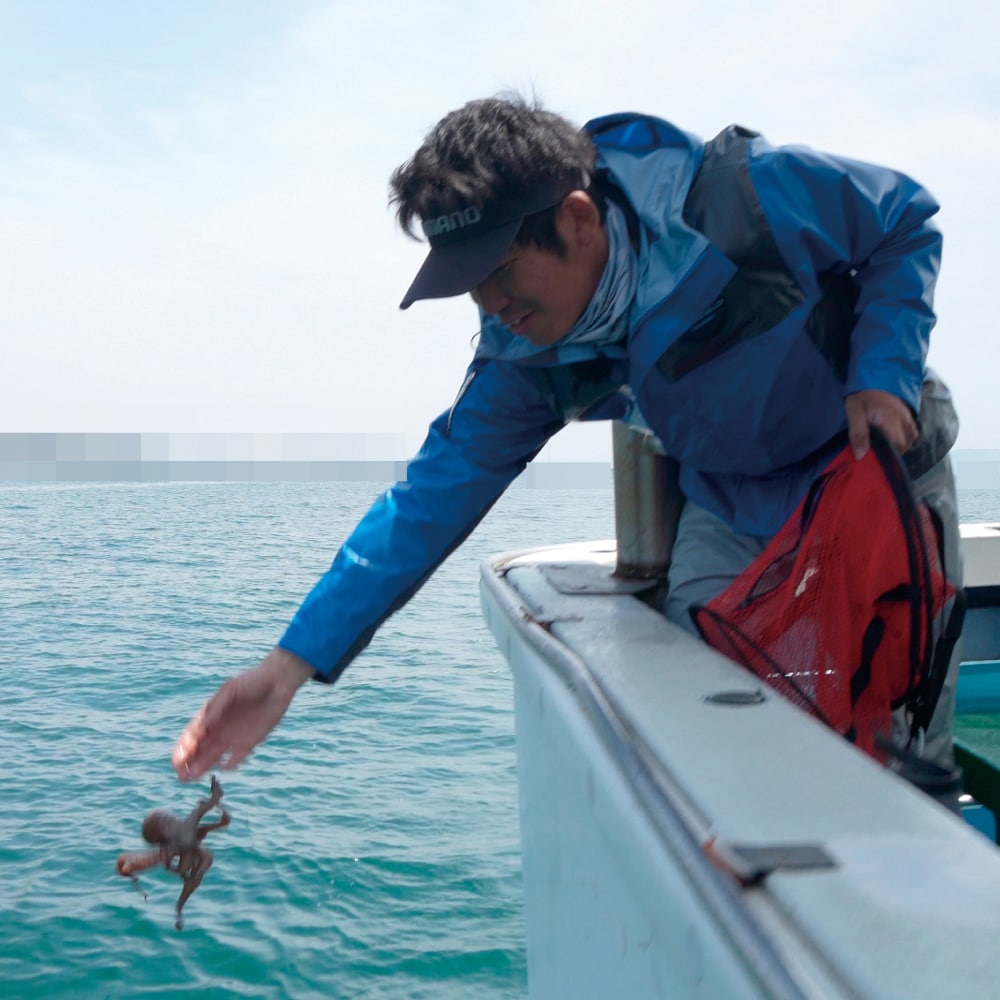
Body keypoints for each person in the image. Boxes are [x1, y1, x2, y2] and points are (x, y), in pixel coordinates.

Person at [172, 94, 962, 782]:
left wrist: (881, 373)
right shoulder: (528, 357)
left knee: (900, 730)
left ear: (578, 220)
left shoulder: (738, 198)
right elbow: (428, 501)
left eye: (503, 270)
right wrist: (285, 669)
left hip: (871, 467)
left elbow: (902, 218)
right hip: (728, 502)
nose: (492, 304)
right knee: (704, 722)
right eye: (471, 285)